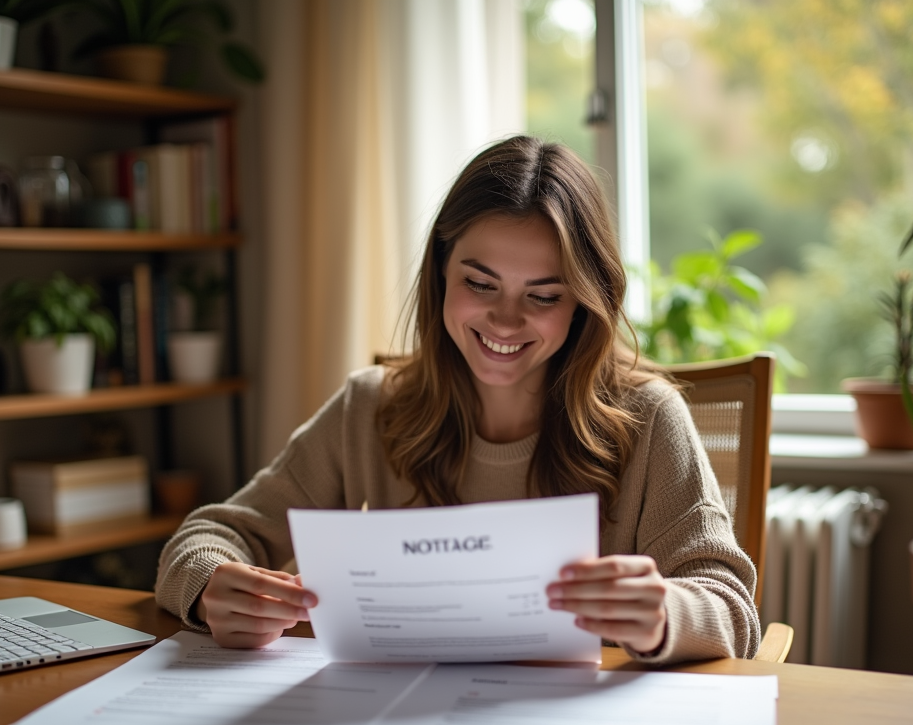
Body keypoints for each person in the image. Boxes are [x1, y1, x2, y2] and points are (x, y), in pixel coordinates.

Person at [156, 135, 760, 664]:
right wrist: (211, 586)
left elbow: (732, 610)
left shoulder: (649, 418)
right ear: (442, 272)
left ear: (583, 302)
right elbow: (208, 534)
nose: (504, 320)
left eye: (544, 296)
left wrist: (663, 616)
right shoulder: (371, 407)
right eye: (480, 283)